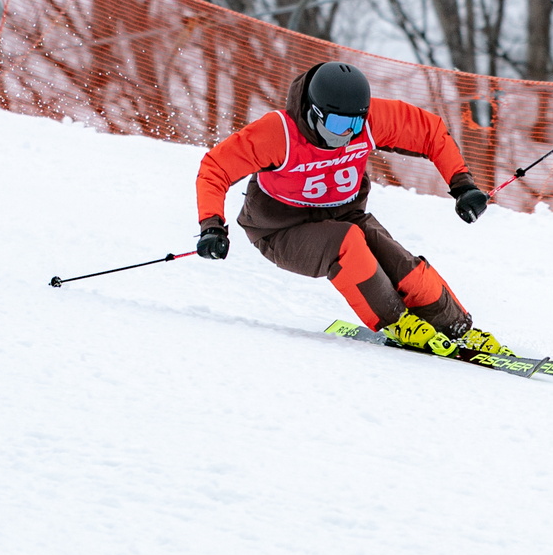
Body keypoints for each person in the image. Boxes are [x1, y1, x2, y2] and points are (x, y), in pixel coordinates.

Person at [194, 60, 507, 357]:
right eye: (338, 123)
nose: (347, 132)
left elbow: (430, 131)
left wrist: (462, 185)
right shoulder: (278, 133)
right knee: (348, 243)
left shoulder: (367, 122)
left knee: (401, 265)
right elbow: (216, 168)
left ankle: (455, 327)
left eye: (355, 123)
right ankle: (397, 322)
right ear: (314, 112)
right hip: (281, 230)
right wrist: (211, 225)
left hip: (346, 214)